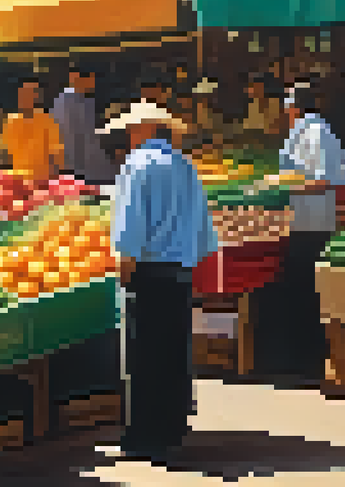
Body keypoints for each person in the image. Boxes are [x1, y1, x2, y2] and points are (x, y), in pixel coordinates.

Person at [101, 101, 217, 461]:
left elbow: (129, 225)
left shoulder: (137, 165)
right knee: (173, 352)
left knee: (143, 357)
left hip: (147, 272)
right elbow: (204, 229)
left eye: (132, 131)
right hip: (179, 272)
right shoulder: (186, 166)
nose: (128, 137)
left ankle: (145, 435)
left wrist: (124, 270)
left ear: (143, 131)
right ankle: (173, 425)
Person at [255, 84, 345, 380]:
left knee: (305, 288)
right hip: (301, 221)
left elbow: (324, 181)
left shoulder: (316, 134)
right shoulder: (305, 132)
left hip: (312, 223)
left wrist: (278, 186)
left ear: (292, 107)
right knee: (298, 286)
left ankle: (305, 358)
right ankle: (299, 356)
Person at [53, 69, 116, 185]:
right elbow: (79, 139)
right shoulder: (68, 101)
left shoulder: (83, 101)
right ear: (76, 77)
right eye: (91, 79)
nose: (93, 84)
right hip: (79, 168)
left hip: (82, 165)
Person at [2, 79, 64, 181]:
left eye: (32, 93)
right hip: (16, 180)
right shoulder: (11, 121)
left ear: (37, 97)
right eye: (24, 92)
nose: (27, 96)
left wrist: (53, 180)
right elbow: (7, 155)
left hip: (41, 179)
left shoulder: (47, 120)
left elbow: (56, 155)